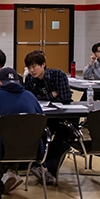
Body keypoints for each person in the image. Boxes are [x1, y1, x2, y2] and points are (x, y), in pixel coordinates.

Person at [0, 67, 43, 194]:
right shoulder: (30, 96)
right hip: (33, 150)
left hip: (2, 150)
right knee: (15, 138)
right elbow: (40, 119)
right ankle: (10, 172)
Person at [23, 50, 73, 185]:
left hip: (63, 117)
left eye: (34, 66)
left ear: (43, 64)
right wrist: (52, 95)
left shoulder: (58, 75)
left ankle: (48, 169)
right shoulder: (29, 79)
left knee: (64, 137)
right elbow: (30, 100)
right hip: (44, 117)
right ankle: (41, 167)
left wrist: (43, 97)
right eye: (29, 68)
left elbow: (65, 97)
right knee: (39, 134)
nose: (31, 70)